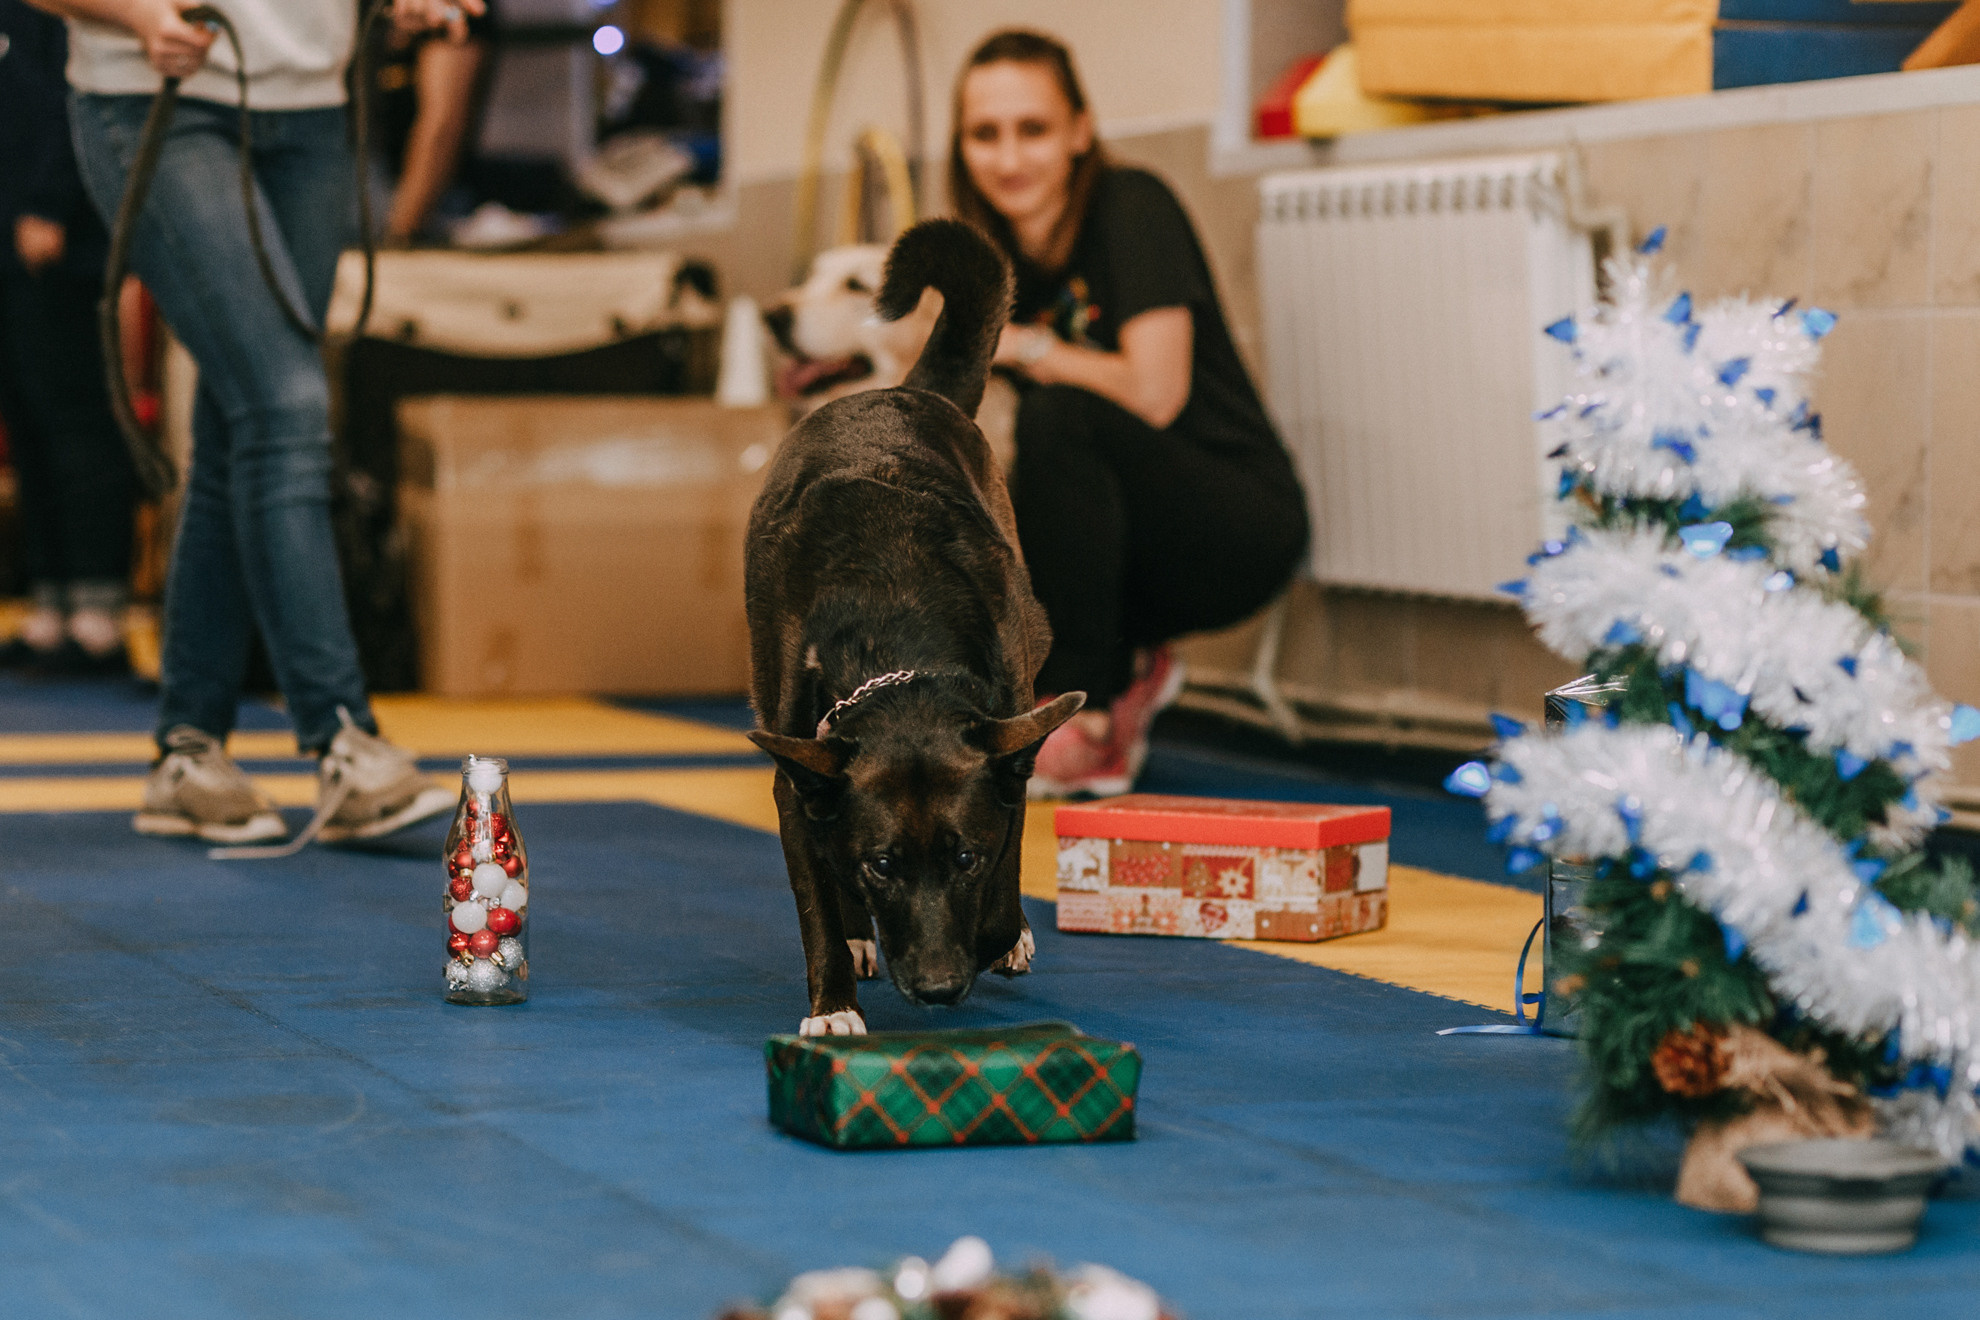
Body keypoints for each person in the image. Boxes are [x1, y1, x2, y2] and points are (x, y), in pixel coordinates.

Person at [31, 0, 483, 848]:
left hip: (313, 113)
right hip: (155, 94)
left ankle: (187, 753)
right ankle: (343, 737)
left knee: (246, 421)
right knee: (286, 404)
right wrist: (130, 13)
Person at [950, 29, 1309, 797]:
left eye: (1034, 129)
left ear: (1080, 130)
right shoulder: (987, 258)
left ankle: (1088, 715)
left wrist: (1023, 345)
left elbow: (1157, 392)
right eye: (986, 134)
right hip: (1121, 544)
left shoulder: (1130, 206)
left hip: (1237, 523)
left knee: (1060, 418)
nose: (1010, 159)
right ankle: (1111, 669)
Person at [0, 0, 139, 674]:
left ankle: (99, 610)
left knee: (76, 418)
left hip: (60, 236)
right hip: (8, 236)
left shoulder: (48, 11)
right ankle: (53, 602)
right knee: (27, 420)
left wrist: (50, 201)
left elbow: (71, 93)